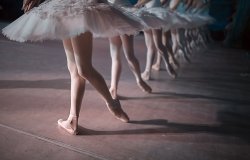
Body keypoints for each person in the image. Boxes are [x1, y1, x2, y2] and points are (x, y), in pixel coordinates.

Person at [2, 0, 149, 135]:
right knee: (73, 69)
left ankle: (112, 104)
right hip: (63, 8)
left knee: (84, 68)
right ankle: (73, 120)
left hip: (79, 8)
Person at [108, 0, 152, 99]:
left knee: (121, 56)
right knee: (126, 56)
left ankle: (115, 87)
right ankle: (137, 80)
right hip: (118, 15)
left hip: (116, 16)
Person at [135, 0, 178, 81]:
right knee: (154, 45)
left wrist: (138, 4)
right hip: (147, 11)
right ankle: (149, 72)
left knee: (156, 44)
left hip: (153, 11)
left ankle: (165, 65)